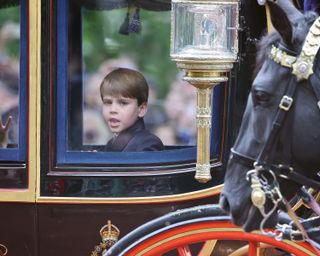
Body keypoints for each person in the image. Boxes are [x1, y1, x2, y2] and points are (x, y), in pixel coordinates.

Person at [100, 67, 164, 152]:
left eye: (123, 103)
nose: (113, 110)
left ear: (141, 109)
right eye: (108, 102)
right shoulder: (111, 144)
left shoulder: (148, 144)